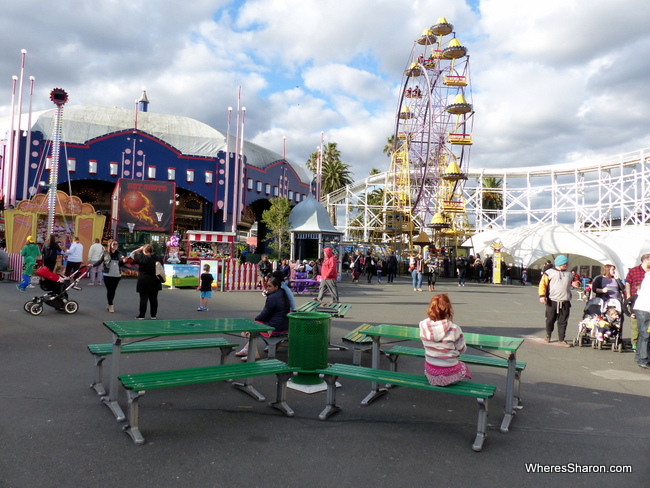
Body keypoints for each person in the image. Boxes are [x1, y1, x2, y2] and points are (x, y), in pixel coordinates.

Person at [419, 293, 471, 386]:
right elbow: (462, 349)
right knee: (463, 366)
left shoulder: (423, 326)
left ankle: (436, 379)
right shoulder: (454, 328)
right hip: (448, 371)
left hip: (431, 370)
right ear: (448, 310)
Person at [236, 276, 290, 360]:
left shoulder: (273, 297)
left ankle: (254, 353)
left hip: (275, 327)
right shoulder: (283, 294)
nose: (267, 288)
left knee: (250, 328)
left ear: (276, 287)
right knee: (255, 326)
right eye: (267, 286)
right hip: (284, 325)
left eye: (270, 286)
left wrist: (255, 319)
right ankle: (246, 349)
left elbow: (265, 314)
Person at [538, 255, 573, 346]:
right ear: (559, 263)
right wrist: (542, 296)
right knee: (550, 319)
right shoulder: (549, 273)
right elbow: (543, 285)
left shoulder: (569, 273)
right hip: (552, 300)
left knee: (563, 321)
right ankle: (548, 335)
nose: (567, 265)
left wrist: (576, 283)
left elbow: (575, 281)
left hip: (565, 301)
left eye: (567, 263)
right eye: (565, 263)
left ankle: (561, 339)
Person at [130, 244, 163, 319]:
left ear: (144, 251)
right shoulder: (157, 258)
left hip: (143, 280)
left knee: (143, 299)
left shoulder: (141, 257)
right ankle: (153, 315)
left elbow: (132, 254)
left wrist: (139, 249)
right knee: (154, 299)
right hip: (155, 280)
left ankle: (142, 315)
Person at [625, 254, 650, 353]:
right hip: (636, 299)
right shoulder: (634, 270)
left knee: (646, 327)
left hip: (647, 300)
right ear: (645, 260)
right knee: (636, 323)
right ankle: (635, 343)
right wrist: (628, 295)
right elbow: (628, 283)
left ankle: (643, 348)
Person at [631, 258, 650, 370]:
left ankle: (639, 357)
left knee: (644, 333)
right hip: (645, 308)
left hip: (642, 307)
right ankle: (643, 359)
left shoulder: (647, 275)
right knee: (646, 334)